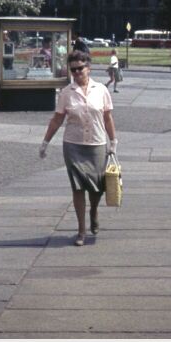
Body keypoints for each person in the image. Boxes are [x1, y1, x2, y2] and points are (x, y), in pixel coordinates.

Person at [39, 50, 117, 246]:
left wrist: (113, 141)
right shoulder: (66, 93)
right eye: (73, 70)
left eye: (80, 68)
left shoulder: (101, 90)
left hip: (97, 144)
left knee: (97, 189)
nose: (76, 73)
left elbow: (107, 118)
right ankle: (81, 230)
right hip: (73, 146)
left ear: (88, 68)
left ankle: (94, 211)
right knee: (78, 187)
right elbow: (57, 119)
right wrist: (45, 142)